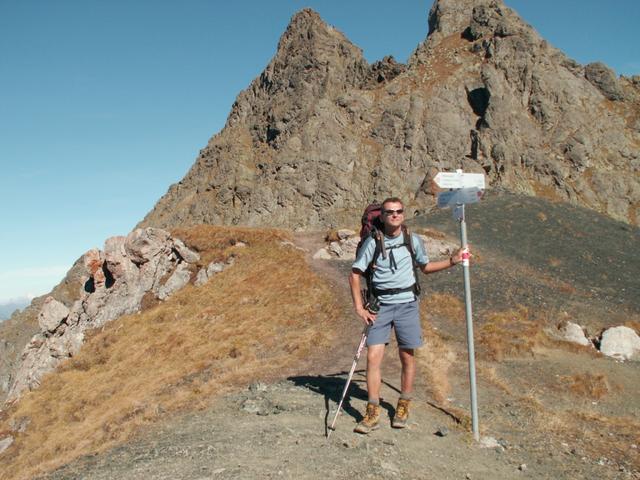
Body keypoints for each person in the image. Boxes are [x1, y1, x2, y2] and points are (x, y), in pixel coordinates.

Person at [348, 197, 468, 433]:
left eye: (398, 211)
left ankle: (403, 404)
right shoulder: (373, 242)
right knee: (373, 358)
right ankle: (373, 410)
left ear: (404, 214)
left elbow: (425, 267)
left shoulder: (413, 240)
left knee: (407, 357)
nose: (394, 215)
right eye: (389, 212)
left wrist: (453, 261)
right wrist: (359, 308)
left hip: (407, 305)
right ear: (381, 215)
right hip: (379, 306)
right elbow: (354, 274)